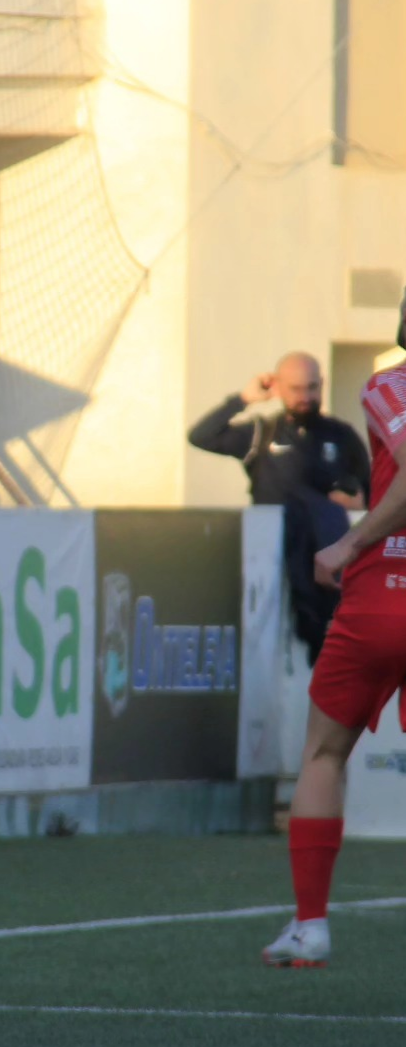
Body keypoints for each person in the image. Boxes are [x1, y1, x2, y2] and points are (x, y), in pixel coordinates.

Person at [261, 353, 406, 968]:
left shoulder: (390, 385)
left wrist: (348, 542)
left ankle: (310, 926)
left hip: (382, 596)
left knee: (323, 754)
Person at [188, 351, 370, 664]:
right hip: (270, 569)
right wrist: (244, 399)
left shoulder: (342, 437)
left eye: (312, 387)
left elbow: (373, 492)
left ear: (322, 384)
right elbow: (200, 436)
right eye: (296, 389)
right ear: (278, 387)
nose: (305, 397)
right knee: (269, 660)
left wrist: (356, 503)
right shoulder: (261, 434)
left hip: (325, 574)